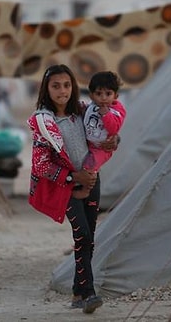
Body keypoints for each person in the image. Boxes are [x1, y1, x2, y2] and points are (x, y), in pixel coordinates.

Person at [27, 64, 117, 314]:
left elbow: (106, 133)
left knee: (89, 237)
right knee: (83, 235)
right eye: (56, 86)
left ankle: (78, 291)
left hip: (91, 180)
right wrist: (72, 178)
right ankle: (89, 293)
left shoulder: (85, 111)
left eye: (67, 85)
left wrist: (113, 140)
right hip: (65, 186)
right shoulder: (43, 121)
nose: (62, 91)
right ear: (47, 88)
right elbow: (40, 164)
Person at [82, 71, 126, 172]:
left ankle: (86, 185)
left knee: (89, 167)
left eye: (108, 94)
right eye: (98, 94)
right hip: (89, 144)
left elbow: (114, 129)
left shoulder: (116, 111)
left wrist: (106, 115)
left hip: (102, 148)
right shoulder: (90, 106)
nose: (103, 98)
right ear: (91, 96)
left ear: (116, 96)